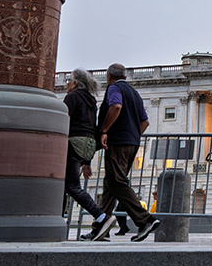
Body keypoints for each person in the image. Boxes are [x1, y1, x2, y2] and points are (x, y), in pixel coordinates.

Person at [88, 63, 161, 241]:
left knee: (117, 182)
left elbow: (116, 107)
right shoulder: (135, 93)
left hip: (118, 142)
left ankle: (145, 220)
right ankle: (100, 227)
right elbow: (145, 122)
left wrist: (104, 130)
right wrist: (133, 136)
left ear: (108, 76)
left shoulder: (114, 88)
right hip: (132, 142)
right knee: (110, 184)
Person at [63, 68, 109, 231]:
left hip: (74, 142)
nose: (66, 84)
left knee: (71, 185)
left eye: (68, 81)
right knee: (66, 183)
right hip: (88, 144)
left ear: (75, 83)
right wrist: (87, 161)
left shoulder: (72, 97)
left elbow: (63, 119)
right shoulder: (91, 100)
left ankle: (101, 216)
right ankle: (60, 218)